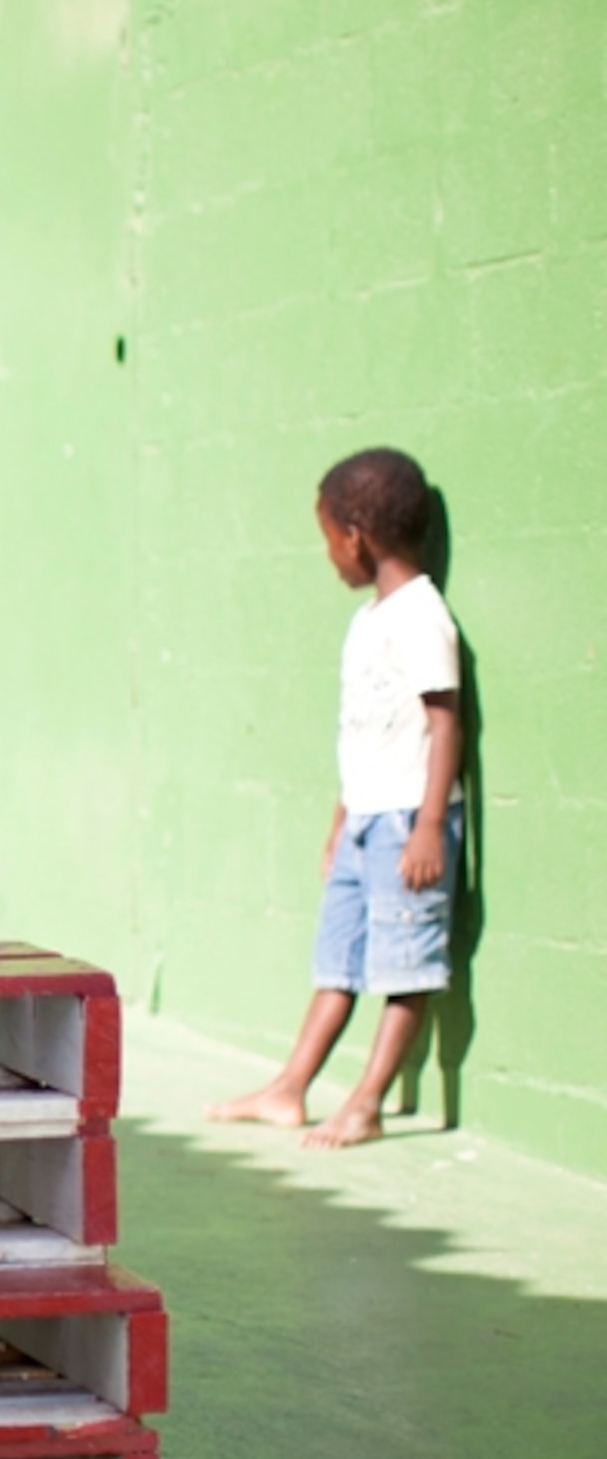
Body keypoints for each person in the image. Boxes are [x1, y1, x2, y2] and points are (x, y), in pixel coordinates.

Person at [208, 448, 463, 1149]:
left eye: (327, 538)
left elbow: (445, 722)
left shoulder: (420, 615)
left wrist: (430, 826)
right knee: (338, 961)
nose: (329, 556)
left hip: (409, 817)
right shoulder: (369, 621)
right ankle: (290, 1087)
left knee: (406, 964)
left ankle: (367, 1102)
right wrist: (339, 823)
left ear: (355, 535)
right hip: (364, 818)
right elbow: (363, 735)